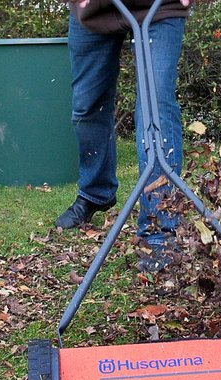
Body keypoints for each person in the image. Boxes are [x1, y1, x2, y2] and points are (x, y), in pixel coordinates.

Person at [57, 0, 191, 272]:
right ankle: (95, 193)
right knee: (87, 107)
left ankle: (159, 230)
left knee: (155, 110)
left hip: (158, 8)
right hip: (95, 10)